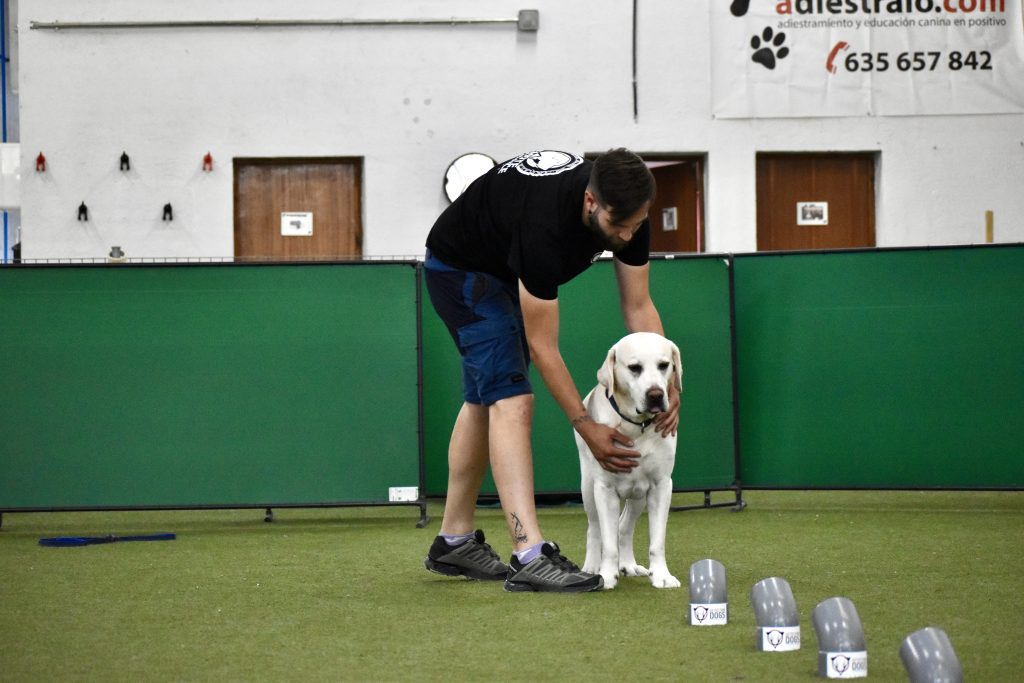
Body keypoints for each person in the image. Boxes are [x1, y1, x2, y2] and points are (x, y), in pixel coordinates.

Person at [422, 148, 680, 593]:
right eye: (619, 227)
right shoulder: (544, 227)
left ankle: (454, 539)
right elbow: (545, 348)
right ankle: (529, 554)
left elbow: (638, 307)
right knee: (512, 398)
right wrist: (585, 425)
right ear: (590, 203)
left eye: (636, 225)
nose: (627, 234)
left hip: (504, 261)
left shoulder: (629, 209)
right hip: (462, 267)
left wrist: (671, 385)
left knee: (485, 399)